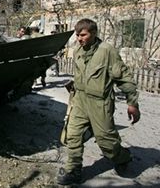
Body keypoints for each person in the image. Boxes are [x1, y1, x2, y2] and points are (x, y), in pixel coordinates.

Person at [57, 18, 141, 185]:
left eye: (83, 35)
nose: (79, 39)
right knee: (72, 135)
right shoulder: (77, 50)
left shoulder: (107, 51)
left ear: (93, 33)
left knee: (106, 142)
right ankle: (73, 170)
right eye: (77, 35)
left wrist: (132, 104)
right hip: (80, 100)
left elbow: (124, 78)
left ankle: (123, 157)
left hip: (100, 103)